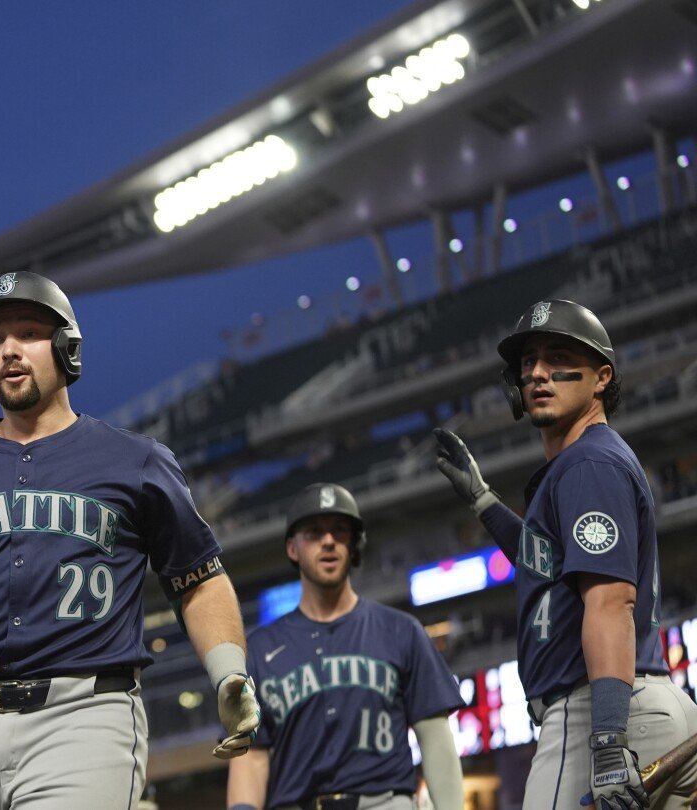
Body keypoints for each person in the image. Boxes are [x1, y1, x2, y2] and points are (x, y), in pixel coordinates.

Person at [0, 271, 261, 809]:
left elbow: (197, 577)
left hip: (83, 715)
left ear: (67, 349)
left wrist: (227, 673)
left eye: (28, 333)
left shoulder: (135, 460)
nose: (9, 350)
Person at [434, 299, 697, 810]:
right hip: (648, 705)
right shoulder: (587, 463)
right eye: (528, 362)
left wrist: (606, 743)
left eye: (558, 358)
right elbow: (547, 563)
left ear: (601, 378)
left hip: (598, 712)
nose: (537, 372)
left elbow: (611, 603)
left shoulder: (587, 464)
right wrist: (484, 501)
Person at [226, 483, 465, 810]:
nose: (328, 541)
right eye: (314, 532)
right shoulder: (258, 648)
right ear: (292, 548)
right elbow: (251, 758)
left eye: (340, 531)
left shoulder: (402, 630)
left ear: (354, 545)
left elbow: (436, 740)